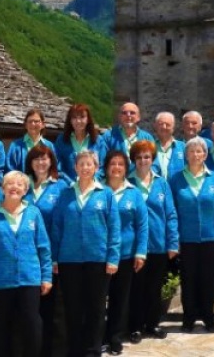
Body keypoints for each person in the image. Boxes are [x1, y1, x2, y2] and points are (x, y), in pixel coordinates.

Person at [0, 171, 53, 357]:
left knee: (31, 326)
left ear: (25, 190)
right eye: (10, 183)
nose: (14, 187)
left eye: (19, 184)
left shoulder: (33, 213)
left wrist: (46, 276)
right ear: (2, 189)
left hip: (29, 279)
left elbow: (43, 247)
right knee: (1, 329)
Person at [52, 150, 120, 357]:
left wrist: (113, 257)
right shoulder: (65, 194)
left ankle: (92, 350)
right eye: (81, 164)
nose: (85, 168)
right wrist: (54, 258)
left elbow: (114, 227)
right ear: (75, 167)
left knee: (96, 309)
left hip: (98, 259)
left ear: (96, 167)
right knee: (73, 308)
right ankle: (74, 350)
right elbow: (57, 227)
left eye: (89, 164)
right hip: (69, 260)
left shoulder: (105, 194)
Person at [167, 137, 214, 332]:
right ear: (186, 155)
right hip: (186, 239)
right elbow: (171, 212)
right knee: (188, 279)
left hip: (211, 238)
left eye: (199, 151)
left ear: (205, 155)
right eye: (191, 151)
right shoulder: (176, 179)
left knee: (207, 279)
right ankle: (189, 318)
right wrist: (174, 238)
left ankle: (208, 318)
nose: (195, 155)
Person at [128, 139, 178, 341]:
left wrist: (173, 242)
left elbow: (170, 214)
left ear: (152, 159)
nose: (143, 161)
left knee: (154, 288)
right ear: (134, 160)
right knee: (136, 288)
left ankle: (152, 324)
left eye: (147, 157)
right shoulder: (128, 183)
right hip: (134, 246)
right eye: (139, 157)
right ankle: (135, 327)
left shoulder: (162, 183)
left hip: (158, 244)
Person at [102, 151, 148, 355]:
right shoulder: (98, 190)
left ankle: (115, 337)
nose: (117, 168)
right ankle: (100, 336)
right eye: (113, 163)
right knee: (98, 300)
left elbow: (142, 225)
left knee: (120, 299)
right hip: (101, 255)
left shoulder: (134, 193)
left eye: (121, 164)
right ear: (106, 167)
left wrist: (141, 252)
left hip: (127, 255)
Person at [26, 144, 68, 357]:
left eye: (45, 158)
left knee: (54, 310)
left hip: (51, 256)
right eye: (36, 159)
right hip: (27, 258)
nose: (40, 163)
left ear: (51, 161)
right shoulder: (23, 186)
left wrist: (55, 257)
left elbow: (62, 224)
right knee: (32, 310)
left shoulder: (60, 186)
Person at [55, 103, 106, 178]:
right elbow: (58, 167)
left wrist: (92, 181)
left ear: (88, 119)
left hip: (93, 183)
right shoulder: (61, 140)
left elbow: (103, 167)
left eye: (82, 117)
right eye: (74, 117)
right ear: (70, 120)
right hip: (69, 184)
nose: (78, 121)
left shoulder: (98, 140)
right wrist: (70, 182)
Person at [8, 108, 53, 173]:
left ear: (43, 125)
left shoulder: (50, 146)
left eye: (36, 121)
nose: (33, 124)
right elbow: (10, 170)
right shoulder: (15, 146)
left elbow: (55, 169)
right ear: (26, 125)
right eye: (30, 121)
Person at [150, 112, 185, 178]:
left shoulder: (183, 147)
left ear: (173, 127)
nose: (164, 127)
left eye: (168, 124)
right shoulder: (149, 147)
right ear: (155, 126)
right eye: (161, 124)